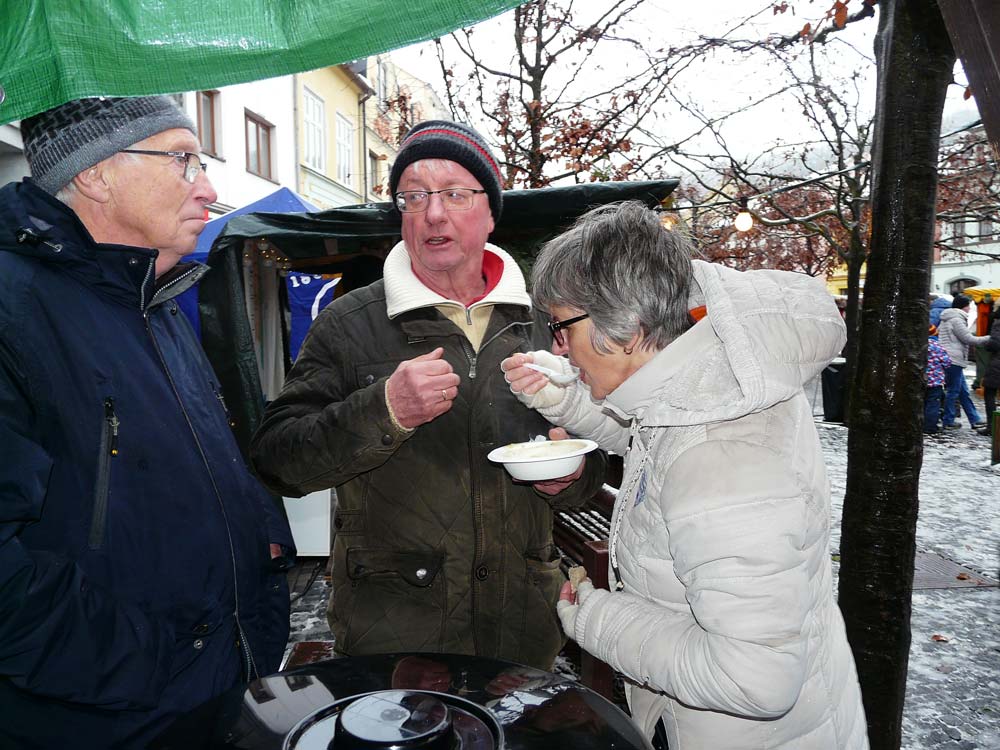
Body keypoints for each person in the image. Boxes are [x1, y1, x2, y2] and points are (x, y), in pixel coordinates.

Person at [501, 202, 868, 749]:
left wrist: (596, 618)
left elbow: (755, 679)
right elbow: (652, 443)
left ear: (627, 328)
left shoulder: (722, 451)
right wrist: (564, 398)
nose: (557, 345)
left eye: (561, 326)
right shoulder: (708, 378)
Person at [249, 120, 606, 671]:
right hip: (395, 633)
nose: (433, 213)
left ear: (491, 212)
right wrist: (384, 411)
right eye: (414, 197)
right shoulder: (350, 322)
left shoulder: (547, 321)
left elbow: (597, 449)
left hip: (522, 627)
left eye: (455, 194)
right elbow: (277, 460)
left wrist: (573, 475)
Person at [0, 96, 294, 750]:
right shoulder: (13, 307)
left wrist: (262, 538)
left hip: (211, 689)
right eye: (183, 160)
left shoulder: (156, 301)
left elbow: (197, 453)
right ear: (94, 174)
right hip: (102, 716)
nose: (208, 187)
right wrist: (142, 659)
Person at [938, 294, 989, 430]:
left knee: (963, 391)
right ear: (963, 306)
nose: (969, 309)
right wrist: (989, 338)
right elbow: (968, 339)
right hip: (953, 359)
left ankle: (975, 419)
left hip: (950, 358)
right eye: (968, 306)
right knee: (953, 391)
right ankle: (948, 421)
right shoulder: (956, 319)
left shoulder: (948, 318)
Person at [924, 325, 951, 434]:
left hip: (921, 380)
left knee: (922, 403)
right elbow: (947, 363)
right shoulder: (938, 347)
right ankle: (930, 427)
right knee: (933, 404)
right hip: (935, 382)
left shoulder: (919, 346)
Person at [980, 299, 1000, 437]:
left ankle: (992, 427)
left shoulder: (998, 322)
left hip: (997, 363)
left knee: (989, 393)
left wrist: (987, 343)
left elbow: (995, 344)